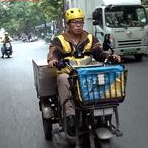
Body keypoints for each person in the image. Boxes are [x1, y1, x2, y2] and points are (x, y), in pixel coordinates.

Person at [47, 7, 121, 136]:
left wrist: (109, 57)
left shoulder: (90, 38)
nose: (78, 24)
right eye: (75, 22)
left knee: (103, 75)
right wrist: (53, 60)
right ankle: (69, 117)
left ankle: (102, 113)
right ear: (68, 24)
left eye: (80, 22)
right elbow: (54, 52)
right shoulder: (59, 39)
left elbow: (99, 53)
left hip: (87, 72)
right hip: (69, 72)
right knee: (63, 79)